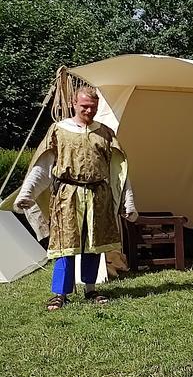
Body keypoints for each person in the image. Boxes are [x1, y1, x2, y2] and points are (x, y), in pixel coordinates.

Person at [13, 86, 138, 310]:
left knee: (93, 245)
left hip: (98, 196)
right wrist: (27, 193)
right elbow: (44, 165)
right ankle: (60, 293)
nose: (89, 111)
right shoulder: (58, 131)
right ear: (74, 103)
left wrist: (128, 201)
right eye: (85, 106)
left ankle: (91, 289)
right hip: (67, 196)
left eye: (93, 107)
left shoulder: (105, 133)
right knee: (65, 245)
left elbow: (119, 170)